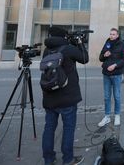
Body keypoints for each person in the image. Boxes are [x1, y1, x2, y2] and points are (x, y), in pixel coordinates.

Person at [42, 26, 88, 165]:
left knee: (49, 128)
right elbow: (84, 58)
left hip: (50, 96)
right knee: (68, 128)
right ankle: (68, 159)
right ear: (63, 36)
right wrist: (79, 43)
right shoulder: (67, 48)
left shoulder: (46, 50)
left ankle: (48, 160)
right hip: (67, 97)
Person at [98, 28, 124, 127]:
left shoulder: (121, 45)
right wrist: (104, 55)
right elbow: (100, 58)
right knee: (107, 97)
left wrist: (115, 65)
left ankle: (117, 115)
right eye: (110, 34)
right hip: (106, 74)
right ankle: (107, 116)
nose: (111, 36)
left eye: (113, 34)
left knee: (117, 96)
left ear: (117, 35)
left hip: (116, 74)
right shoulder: (107, 43)